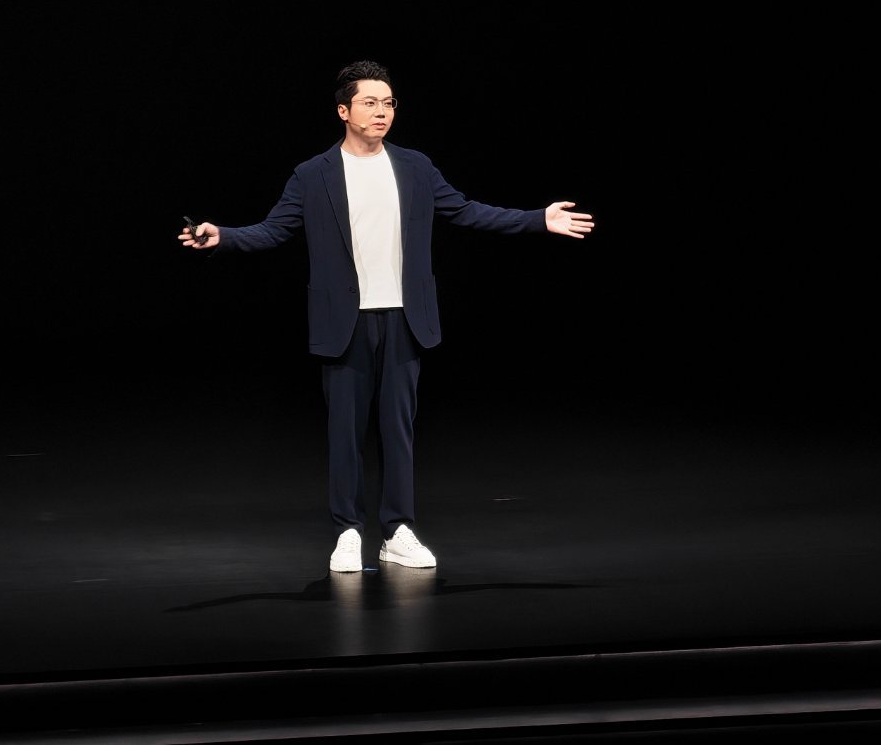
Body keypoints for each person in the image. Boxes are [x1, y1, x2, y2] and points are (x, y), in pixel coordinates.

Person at [178, 59, 594, 575]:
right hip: (345, 321)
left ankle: (397, 531)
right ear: (343, 111)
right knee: (345, 433)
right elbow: (274, 229)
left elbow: (466, 210)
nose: (382, 111)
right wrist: (224, 236)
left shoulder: (415, 167)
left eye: (389, 103)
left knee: (398, 431)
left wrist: (536, 219)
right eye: (370, 102)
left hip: (403, 317)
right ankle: (348, 532)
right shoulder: (313, 174)